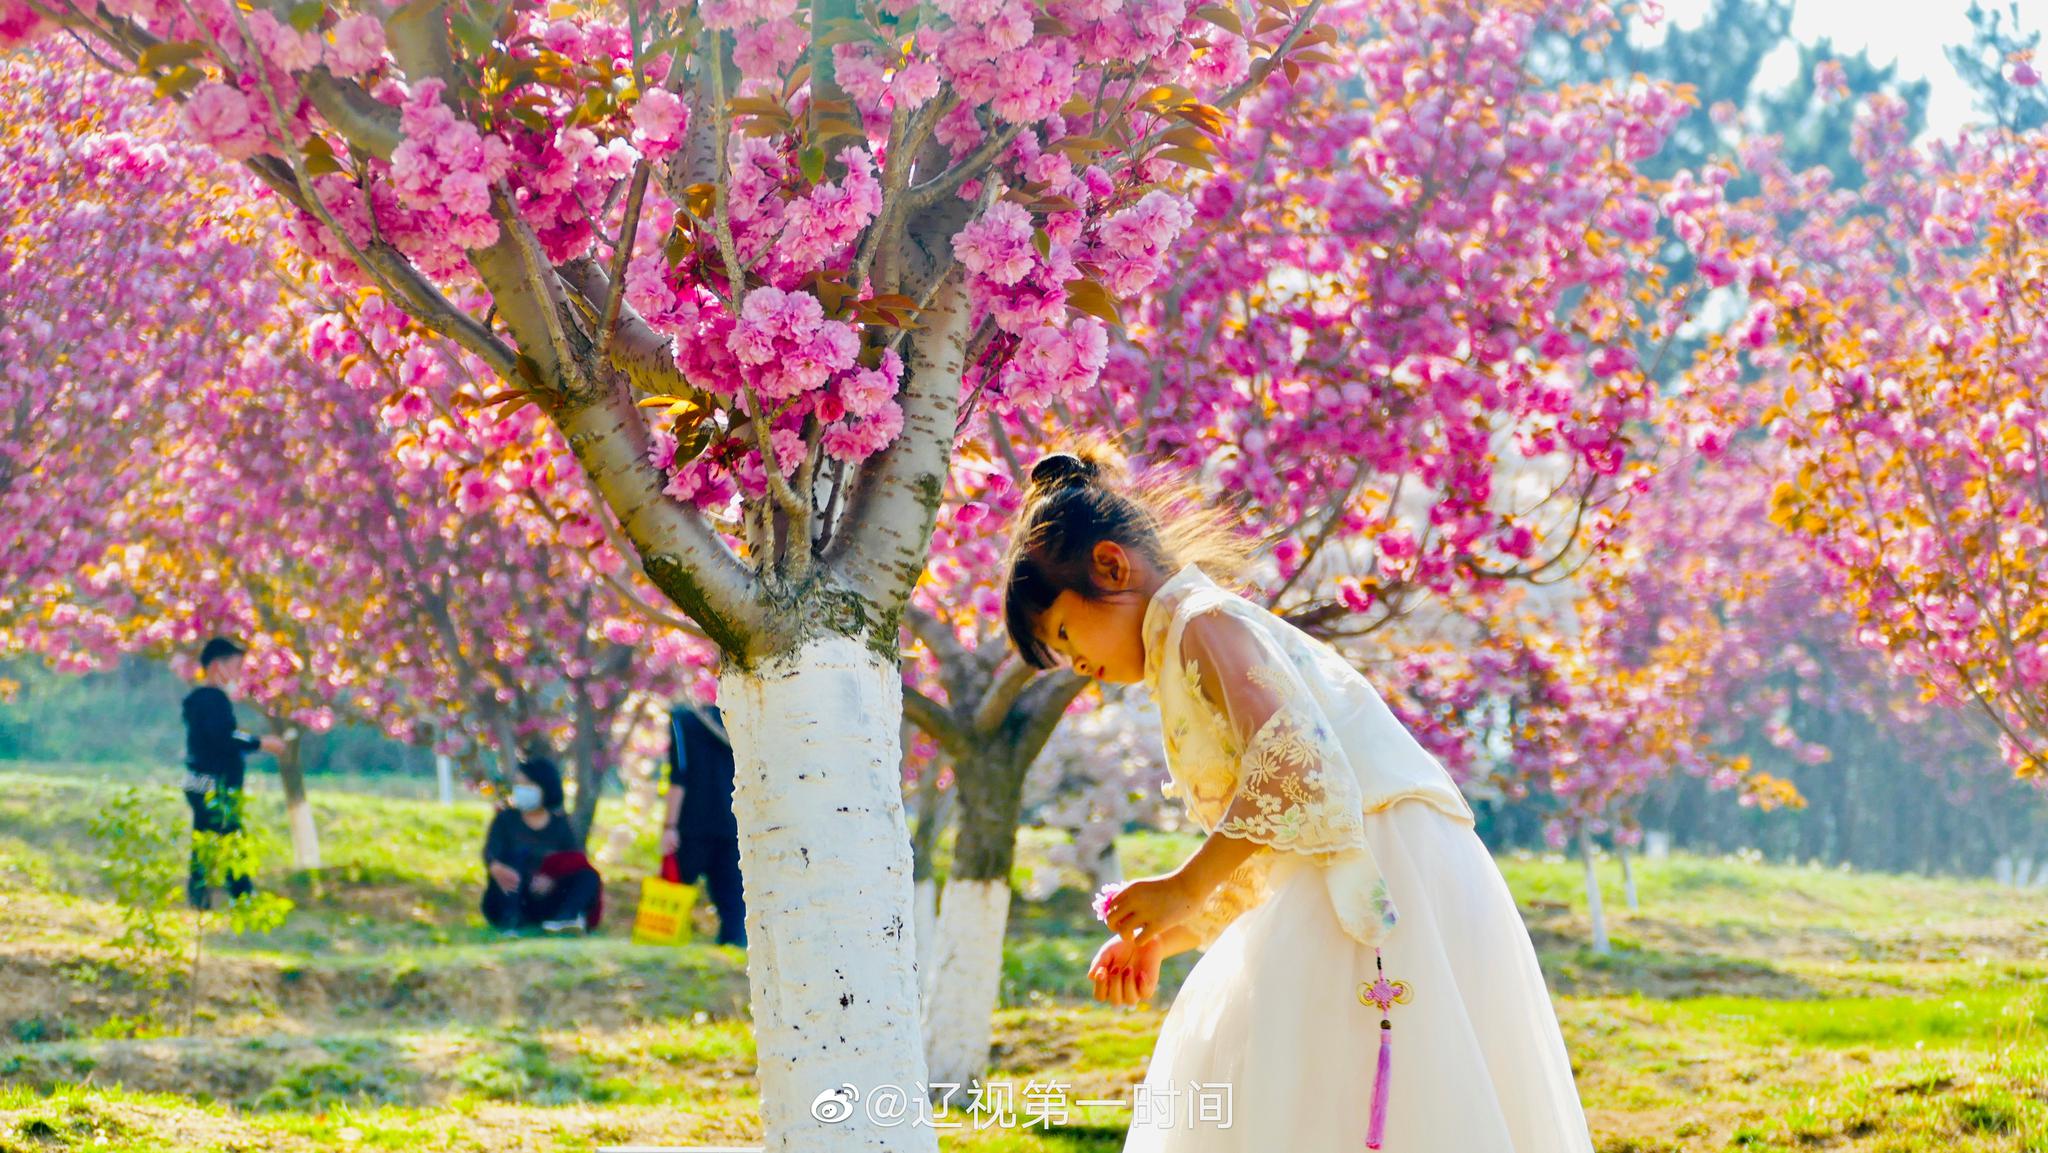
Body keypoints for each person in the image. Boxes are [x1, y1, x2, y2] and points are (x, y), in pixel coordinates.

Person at [1003, 446, 1595, 1152]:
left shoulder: (1200, 619)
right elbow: (1277, 834)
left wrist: (1184, 886)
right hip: (1362, 862)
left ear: (1110, 567)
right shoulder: (1187, 638)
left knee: (1331, 1089)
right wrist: (1170, 933)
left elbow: (1295, 772)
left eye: (1066, 634)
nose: (1079, 666)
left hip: (1385, 861)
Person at [182, 637, 286, 910]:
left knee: (206, 838)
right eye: (237, 666)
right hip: (215, 784)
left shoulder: (196, 700)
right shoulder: (213, 699)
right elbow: (223, 738)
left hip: (198, 781)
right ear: (217, 666)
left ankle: (201, 897)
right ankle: (241, 896)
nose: (239, 674)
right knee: (231, 838)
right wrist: (261, 743)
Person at [481, 755, 604, 934]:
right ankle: (511, 919)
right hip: (510, 893)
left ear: (544, 788)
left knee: (589, 876)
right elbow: (492, 852)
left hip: (547, 896)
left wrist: (551, 878)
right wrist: (497, 868)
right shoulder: (506, 820)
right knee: (516, 858)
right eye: (518, 785)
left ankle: (565, 918)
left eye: (528, 786)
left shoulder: (560, 825)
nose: (521, 791)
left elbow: (573, 860)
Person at [661, 703, 746, 947]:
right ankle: (734, 946)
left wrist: (669, 826)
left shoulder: (681, 719)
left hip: (692, 824)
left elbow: (679, 776)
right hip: (733, 821)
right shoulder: (739, 716)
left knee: (674, 890)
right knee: (731, 900)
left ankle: (666, 940)